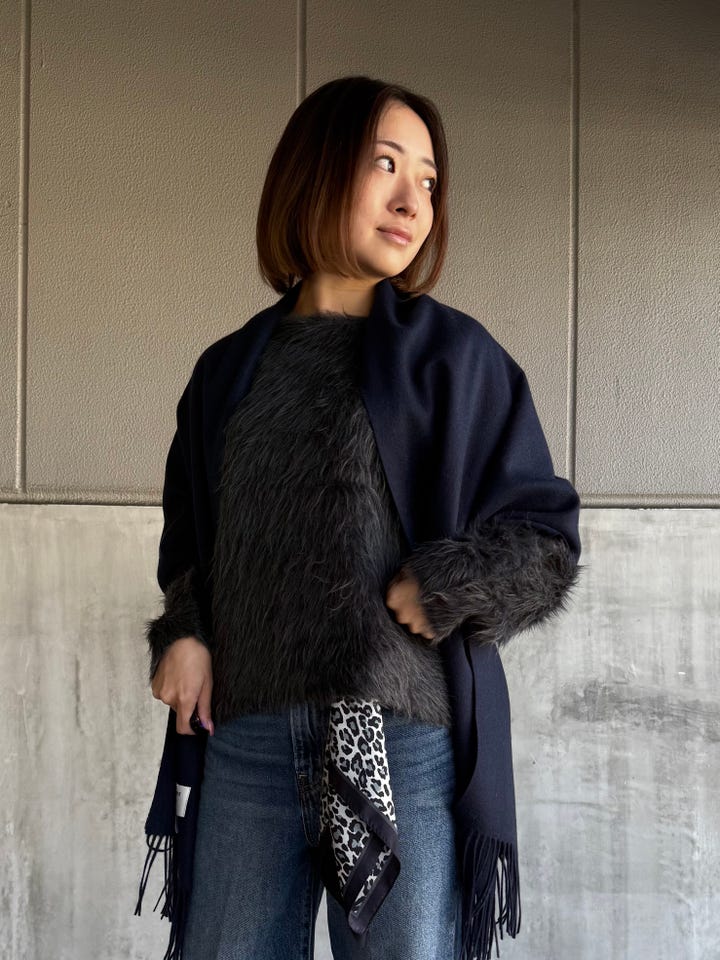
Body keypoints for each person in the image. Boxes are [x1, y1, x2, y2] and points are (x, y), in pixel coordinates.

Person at [138, 76, 581, 960]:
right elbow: (191, 535)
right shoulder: (228, 369)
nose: (412, 199)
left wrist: (450, 584)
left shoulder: (458, 360)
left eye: (428, 179)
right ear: (314, 171)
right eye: (385, 164)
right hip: (249, 737)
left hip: (402, 742)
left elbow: (547, 538)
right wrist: (182, 632)